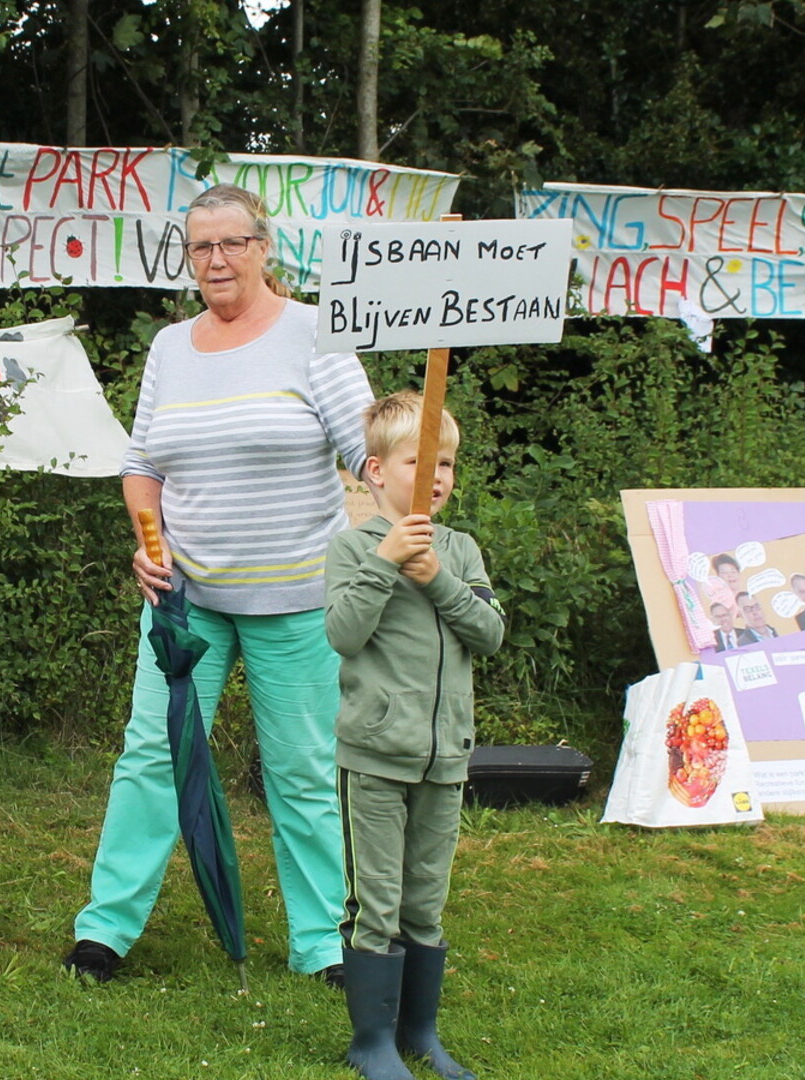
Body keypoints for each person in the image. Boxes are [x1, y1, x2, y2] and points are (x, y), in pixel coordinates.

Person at [64, 184, 374, 985]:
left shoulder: (315, 334)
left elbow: (370, 455)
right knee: (150, 759)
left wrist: (399, 516)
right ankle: (105, 931)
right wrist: (148, 542)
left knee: (301, 770)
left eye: (232, 243)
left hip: (299, 600)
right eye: (201, 247)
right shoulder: (171, 347)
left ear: (264, 248)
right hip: (185, 603)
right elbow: (142, 466)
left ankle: (322, 943)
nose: (216, 260)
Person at [324, 392, 505, 1080]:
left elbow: (489, 633)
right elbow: (342, 634)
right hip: (374, 758)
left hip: (445, 758)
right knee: (379, 902)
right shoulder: (352, 547)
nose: (437, 476)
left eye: (448, 463)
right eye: (420, 460)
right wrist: (387, 562)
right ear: (375, 471)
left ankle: (420, 1034)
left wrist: (438, 580)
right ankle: (371, 1041)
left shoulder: (460, 549)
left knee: (425, 901)